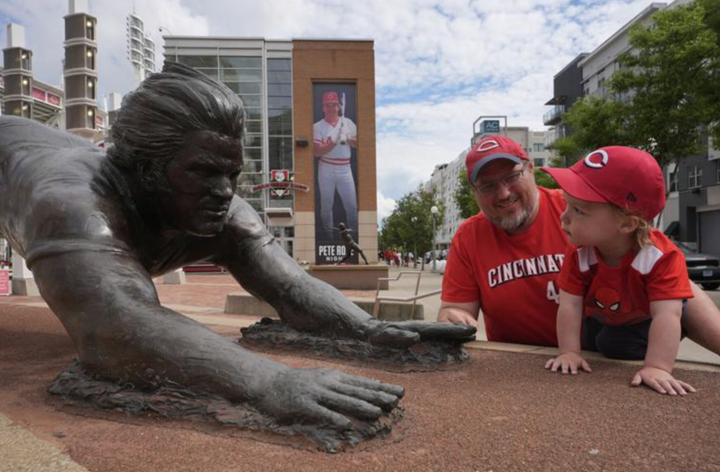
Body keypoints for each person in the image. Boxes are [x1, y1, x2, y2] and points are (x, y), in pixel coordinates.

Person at [0, 62, 475, 444]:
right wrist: (267, 383)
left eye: (232, 173)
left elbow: (289, 284)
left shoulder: (225, 205)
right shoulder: (72, 206)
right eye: (203, 172)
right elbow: (113, 326)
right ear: (140, 169)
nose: (224, 191)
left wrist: (368, 330)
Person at [438, 136, 720, 371]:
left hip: (602, 357)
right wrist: (452, 318)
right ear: (474, 191)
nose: (503, 193)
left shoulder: (583, 207)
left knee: (678, 292)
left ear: (530, 170)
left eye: (512, 176)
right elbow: (455, 309)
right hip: (524, 364)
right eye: (488, 186)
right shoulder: (469, 236)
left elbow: (667, 273)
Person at [542, 146, 699, 395]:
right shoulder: (580, 251)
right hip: (604, 314)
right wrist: (569, 352)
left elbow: (666, 315)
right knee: (590, 341)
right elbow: (570, 305)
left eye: (579, 210)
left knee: (612, 344)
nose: (564, 217)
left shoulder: (660, 257)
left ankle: (658, 344)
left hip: (643, 318)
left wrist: (657, 367)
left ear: (627, 223)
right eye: (567, 205)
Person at [313, 91, 358, 239]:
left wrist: (348, 137)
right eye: (328, 105)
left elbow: (360, 144)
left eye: (334, 105)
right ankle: (329, 236)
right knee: (326, 205)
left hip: (345, 167)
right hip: (326, 167)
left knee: (351, 206)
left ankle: (355, 236)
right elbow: (317, 151)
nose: (331, 108)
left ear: (339, 107)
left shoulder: (348, 123)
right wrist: (334, 140)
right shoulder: (317, 127)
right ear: (323, 107)